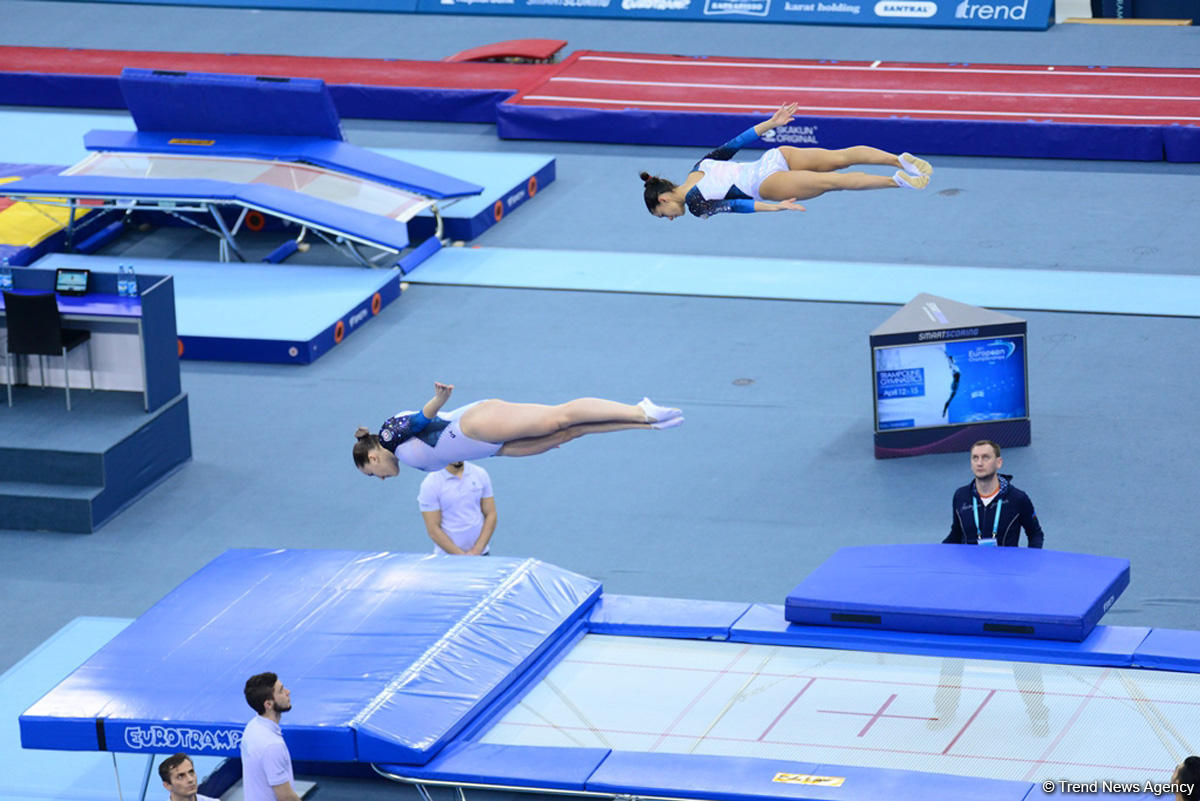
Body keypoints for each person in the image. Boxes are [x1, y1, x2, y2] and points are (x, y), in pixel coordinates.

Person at [639, 102, 932, 220]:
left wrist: (774, 206)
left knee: (835, 182)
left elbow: (738, 205)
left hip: (767, 183)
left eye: (663, 215)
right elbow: (737, 142)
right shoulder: (700, 166)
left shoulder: (695, 206)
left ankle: (898, 182)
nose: (670, 219)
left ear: (663, 199)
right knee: (840, 157)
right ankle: (899, 161)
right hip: (774, 157)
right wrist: (772, 122)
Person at [354, 382, 682, 475]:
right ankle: (644, 423)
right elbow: (452, 458)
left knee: (561, 417)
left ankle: (641, 409)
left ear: (372, 457)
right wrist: (509, 450)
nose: (380, 478)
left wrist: (438, 400)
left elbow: (420, 422)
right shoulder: (414, 462)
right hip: (495, 448)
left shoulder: (387, 437)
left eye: (373, 473)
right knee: (570, 433)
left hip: (473, 425)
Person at [944, 440, 1044, 547]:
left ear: (998, 462)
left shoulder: (1018, 498)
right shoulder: (961, 496)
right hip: (969, 563)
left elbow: (1035, 534)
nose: (979, 463)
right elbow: (956, 534)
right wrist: (937, 553)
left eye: (985, 457)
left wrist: (1031, 561)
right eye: (975, 458)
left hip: (1006, 563)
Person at [241, 672, 301, 801]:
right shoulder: (272, 746)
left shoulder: (252, 726)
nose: (288, 692)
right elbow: (286, 797)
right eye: (281, 691)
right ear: (268, 704)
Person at [418, 460, 497, 555]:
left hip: (481, 554)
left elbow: (491, 514)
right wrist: (461, 557)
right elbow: (433, 529)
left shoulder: (480, 474)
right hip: (447, 558)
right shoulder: (430, 483)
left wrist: (477, 550)